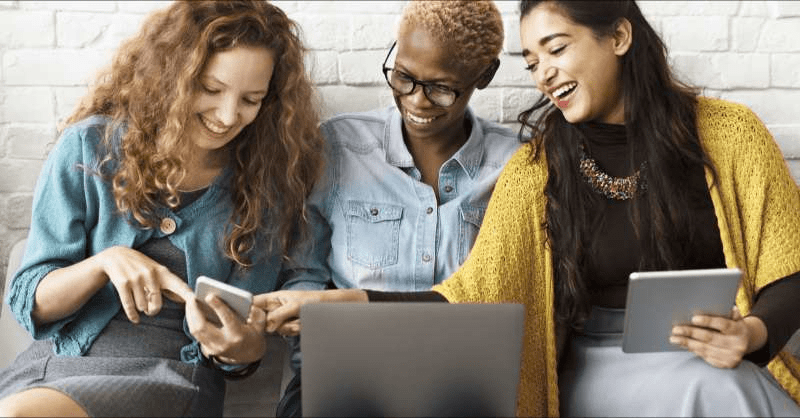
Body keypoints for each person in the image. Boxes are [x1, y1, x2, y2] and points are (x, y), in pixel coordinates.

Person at [261, 0, 800, 416]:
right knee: (718, 390)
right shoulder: (536, 171)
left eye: (557, 49)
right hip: (600, 366)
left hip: (719, 354)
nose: (543, 73)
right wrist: (346, 302)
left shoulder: (730, 135)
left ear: (618, 35)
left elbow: (789, 269)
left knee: (728, 383)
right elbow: (470, 296)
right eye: (533, 61)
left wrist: (750, 335)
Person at [0, 1, 323, 416]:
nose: (228, 116)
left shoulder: (267, 181)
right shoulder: (88, 148)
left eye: (251, 99)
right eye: (210, 89)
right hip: (49, 367)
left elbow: (257, 333)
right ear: (172, 77)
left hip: (170, 377)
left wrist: (245, 347)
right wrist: (106, 262)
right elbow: (32, 301)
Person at [258, 1, 521, 416]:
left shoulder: (513, 167)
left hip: (463, 381)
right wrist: (303, 321)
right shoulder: (338, 149)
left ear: (484, 75)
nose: (416, 100)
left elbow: (508, 295)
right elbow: (304, 275)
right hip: (345, 372)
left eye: (441, 87)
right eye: (403, 77)